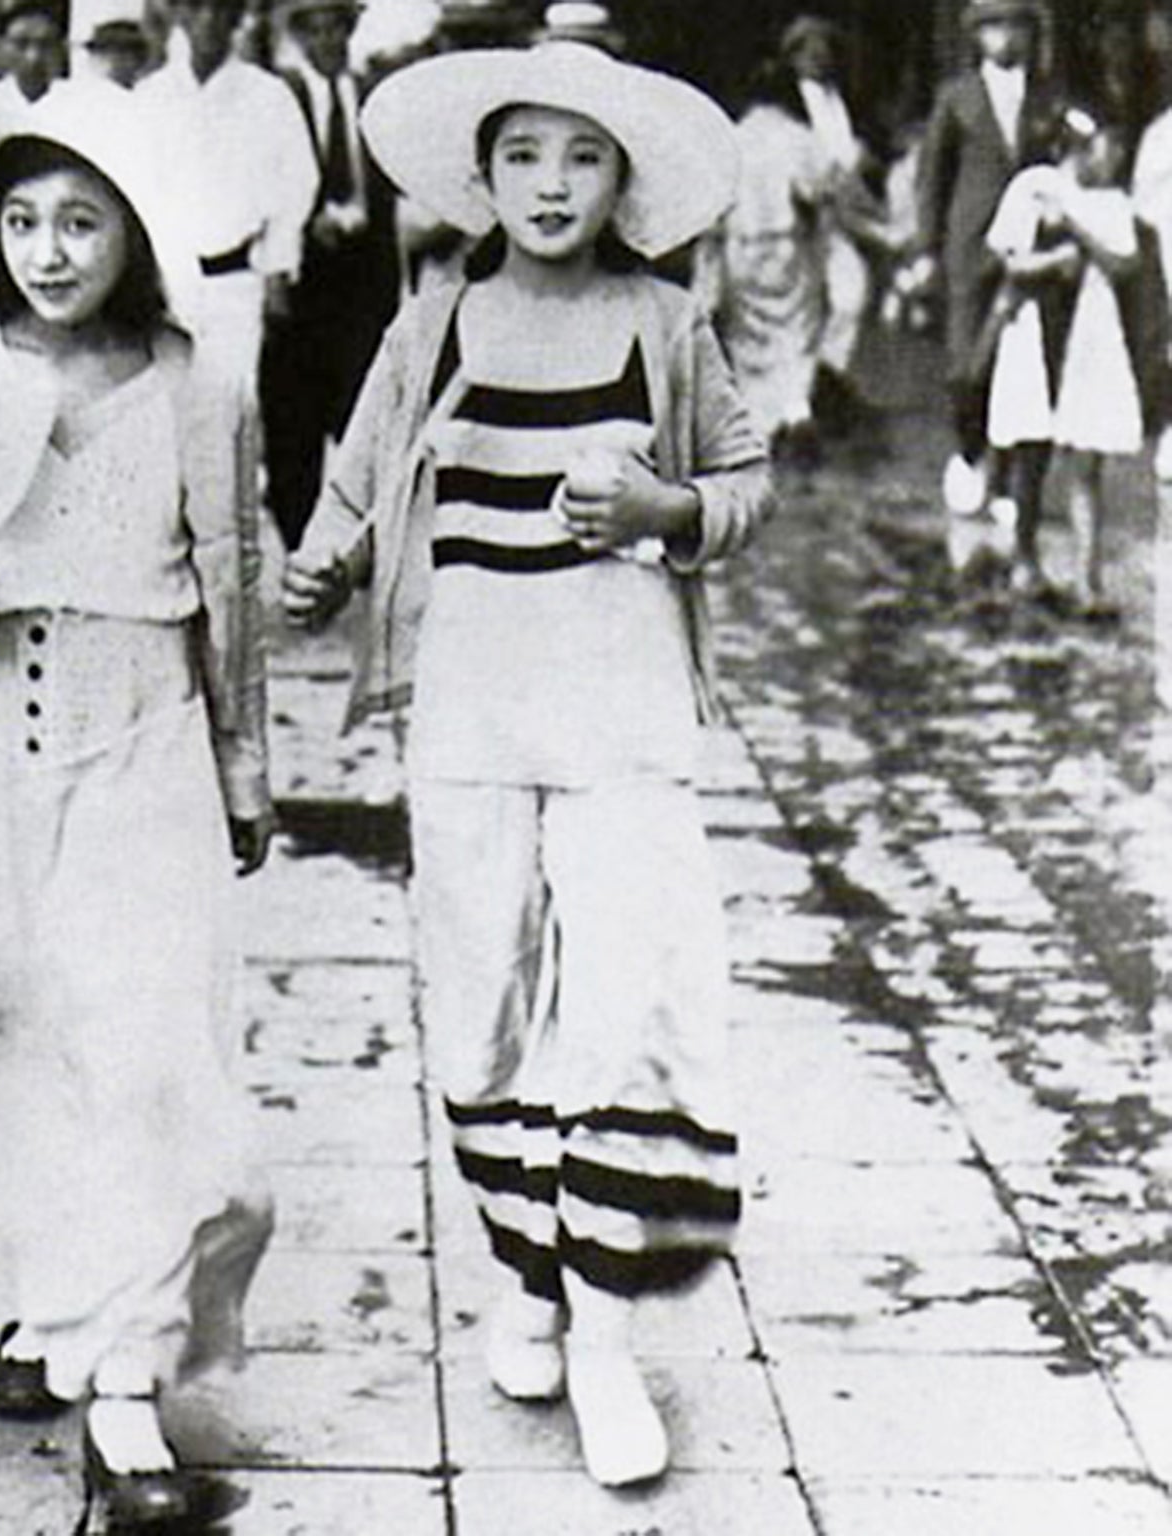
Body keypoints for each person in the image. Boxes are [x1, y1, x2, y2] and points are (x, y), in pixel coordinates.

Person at [284, 42, 769, 1489]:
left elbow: (744, 484)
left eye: (582, 157)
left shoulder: (668, 321)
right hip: (472, 708)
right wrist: (323, 568)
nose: (552, 184)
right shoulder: (432, 320)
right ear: (483, 179)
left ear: (623, 181)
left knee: (632, 1008)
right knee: (484, 1008)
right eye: (524, 157)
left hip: (621, 708)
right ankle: (534, 1278)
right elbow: (359, 484)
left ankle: (612, 1337)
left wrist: (665, 503)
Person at [0, 88, 277, 1530]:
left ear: (136, 236)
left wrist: (246, 763)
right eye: (24, 222)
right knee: (14, 1044)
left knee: (152, 1056)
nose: (49, 250)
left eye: (82, 222)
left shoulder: (197, 380)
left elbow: (232, 576)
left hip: (142, 736)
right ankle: (44, 1319)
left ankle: (128, 1393)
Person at [985, 110, 1169, 611]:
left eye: (1115, 150)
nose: (1110, 159)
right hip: (1035, 326)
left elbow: (1125, 262)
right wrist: (1054, 259)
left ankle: (1088, 580)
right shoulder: (1034, 186)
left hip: (1087, 333)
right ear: (1074, 146)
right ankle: (1025, 556)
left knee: (1086, 456)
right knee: (1032, 448)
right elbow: (1008, 258)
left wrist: (1074, 232)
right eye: (1101, 147)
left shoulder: (1110, 202)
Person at [912, 0, 1058, 537]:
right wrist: (926, 249)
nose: (1005, 37)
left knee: (1016, 365)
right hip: (968, 247)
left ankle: (1002, 479)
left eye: (1015, 25)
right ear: (977, 35)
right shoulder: (957, 97)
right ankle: (967, 451)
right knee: (965, 363)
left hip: (1028, 249)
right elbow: (931, 178)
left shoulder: (1046, 96)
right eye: (993, 26)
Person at [261, 0, 399, 549]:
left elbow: (389, 186)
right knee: (294, 417)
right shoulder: (281, 98)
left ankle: (362, 544)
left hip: (363, 280)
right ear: (300, 36)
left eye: (336, 27)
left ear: (350, 30)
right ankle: (300, 545)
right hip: (302, 281)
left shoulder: (371, 95)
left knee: (365, 411)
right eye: (314, 29)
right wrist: (301, 226)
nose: (327, 40)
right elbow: (268, 182)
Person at [137, 0, 318, 401]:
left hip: (236, 282)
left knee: (233, 407)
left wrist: (277, 268)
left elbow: (296, 187)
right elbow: (135, 188)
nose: (209, 20)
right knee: (167, 408)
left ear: (237, 17)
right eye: (197, 8)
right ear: (179, 14)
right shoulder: (150, 98)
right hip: (165, 286)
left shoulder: (268, 96)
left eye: (221, 9)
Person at [698, 60, 838, 460]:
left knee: (748, 336)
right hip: (787, 246)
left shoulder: (729, 141)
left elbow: (712, 210)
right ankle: (796, 408)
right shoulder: (800, 138)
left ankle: (758, 425)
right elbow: (818, 191)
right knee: (797, 332)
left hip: (741, 247)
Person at [778, 13, 886, 437]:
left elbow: (869, 148)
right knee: (797, 312)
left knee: (851, 297)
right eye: (809, 49)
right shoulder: (786, 105)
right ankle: (794, 407)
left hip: (841, 217)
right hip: (797, 220)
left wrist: (863, 158)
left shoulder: (846, 101)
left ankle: (825, 374)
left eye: (825, 49)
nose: (819, 56)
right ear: (794, 56)